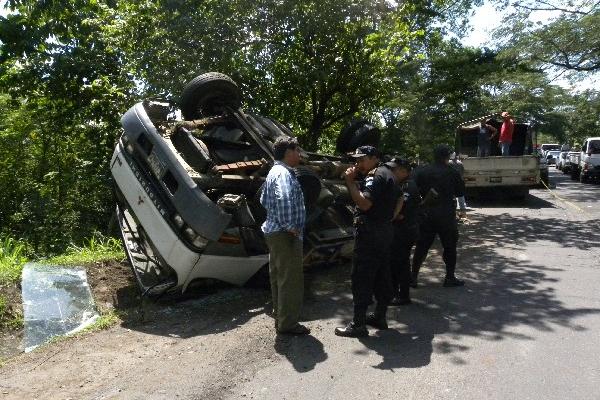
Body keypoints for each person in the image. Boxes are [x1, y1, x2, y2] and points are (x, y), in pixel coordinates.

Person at [335, 146, 398, 338]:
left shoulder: (375, 175)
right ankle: (380, 316)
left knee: (362, 276)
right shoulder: (388, 173)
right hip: (384, 231)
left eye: (362, 159)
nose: (358, 163)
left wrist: (349, 182)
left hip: (370, 233)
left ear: (373, 158)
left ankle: (358, 324)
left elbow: (364, 203)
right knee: (382, 274)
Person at [260, 136, 309, 335]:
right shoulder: (283, 173)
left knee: (279, 276)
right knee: (290, 279)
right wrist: (291, 226)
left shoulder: (274, 171)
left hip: (274, 231)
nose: (299, 154)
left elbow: (263, 199)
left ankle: (281, 316)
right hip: (284, 234)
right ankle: (288, 324)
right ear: (288, 152)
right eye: (297, 150)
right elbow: (283, 198)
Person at [411, 144, 466, 288]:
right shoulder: (452, 172)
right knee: (449, 247)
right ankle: (449, 277)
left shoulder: (421, 171)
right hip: (446, 215)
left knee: (422, 247)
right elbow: (460, 192)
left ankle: (413, 277)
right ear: (447, 157)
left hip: (426, 214)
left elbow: (411, 189)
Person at [387, 157, 421, 306]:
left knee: (401, 263)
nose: (392, 172)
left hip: (404, 230)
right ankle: (394, 292)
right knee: (396, 262)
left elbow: (399, 211)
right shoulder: (401, 183)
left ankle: (403, 295)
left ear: (404, 171)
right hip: (403, 229)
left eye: (395, 169)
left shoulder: (407, 186)